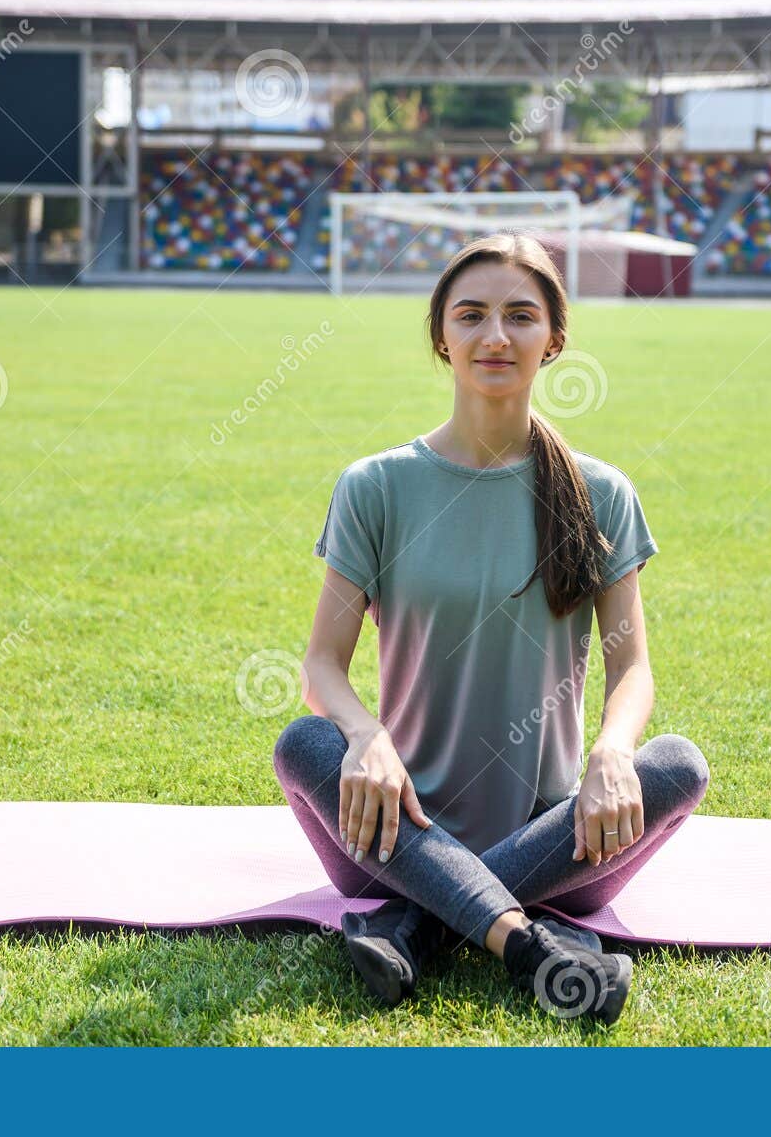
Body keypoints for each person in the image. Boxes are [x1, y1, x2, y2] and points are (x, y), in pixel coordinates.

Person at [273, 232, 709, 1025]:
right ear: (443, 336)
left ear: (555, 338)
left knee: (677, 764)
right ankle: (523, 944)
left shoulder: (601, 493)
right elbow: (322, 666)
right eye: (471, 315)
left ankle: (419, 926)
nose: (495, 336)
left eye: (520, 316)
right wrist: (366, 735)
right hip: (391, 834)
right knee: (306, 743)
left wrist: (612, 753)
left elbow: (633, 666)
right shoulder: (376, 487)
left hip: (560, 846)